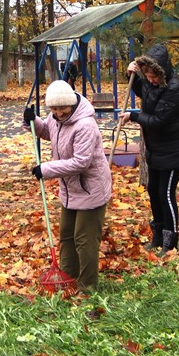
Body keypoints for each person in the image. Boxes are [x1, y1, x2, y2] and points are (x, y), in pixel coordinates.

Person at [28, 79, 112, 290]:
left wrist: (46, 169)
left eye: (63, 108)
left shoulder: (85, 125)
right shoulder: (56, 118)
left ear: (72, 103)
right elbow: (49, 132)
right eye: (54, 109)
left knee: (84, 239)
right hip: (70, 189)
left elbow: (81, 162)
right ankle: (67, 277)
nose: (59, 113)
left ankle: (87, 286)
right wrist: (34, 121)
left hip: (90, 188)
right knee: (66, 235)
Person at [120, 46, 179, 253]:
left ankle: (171, 241)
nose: (151, 80)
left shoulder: (174, 88)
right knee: (153, 190)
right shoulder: (153, 83)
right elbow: (144, 92)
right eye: (148, 76)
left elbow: (159, 120)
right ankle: (158, 236)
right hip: (156, 149)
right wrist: (131, 75)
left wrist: (134, 116)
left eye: (154, 77)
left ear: (162, 72)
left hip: (173, 150)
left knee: (165, 194)